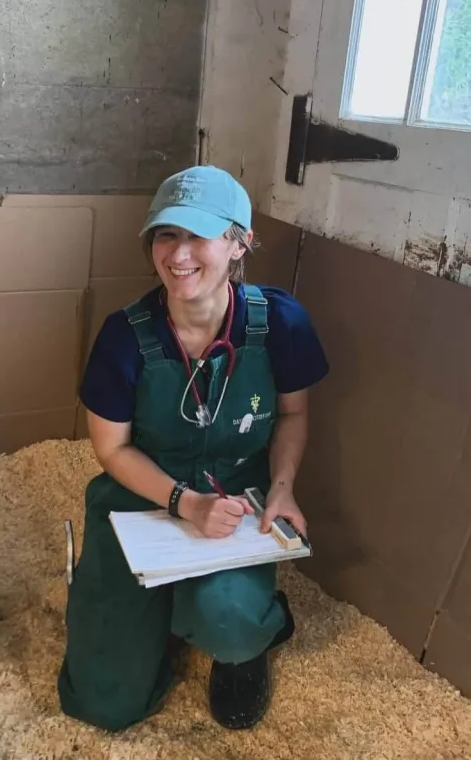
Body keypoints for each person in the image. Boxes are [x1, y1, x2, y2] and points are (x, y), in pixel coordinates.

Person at [57, 165, 329, 732]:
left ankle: (254, 634)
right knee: (106, 703)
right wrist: (184, 503)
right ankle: (150, 623)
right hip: (140, 495)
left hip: (235, 496)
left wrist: (281, 490)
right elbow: (112, 450)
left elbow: (293, 412)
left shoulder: (281, 322)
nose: (178, 254)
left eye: (196, 235)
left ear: (239, 242)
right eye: (165, 234)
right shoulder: (123, 336)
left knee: (227, 620)